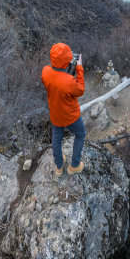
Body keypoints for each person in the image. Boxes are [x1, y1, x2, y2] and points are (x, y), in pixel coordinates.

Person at [42, 43, 86, 176]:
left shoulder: (45, 72)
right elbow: (80, 90)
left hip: (55, 113)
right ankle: (74, 166)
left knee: (56, 138)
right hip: (70, 116)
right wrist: (79, 68)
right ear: (66, 60)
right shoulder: (69, 81)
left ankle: (59, 167)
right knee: (81, 134)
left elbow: (55, 78)